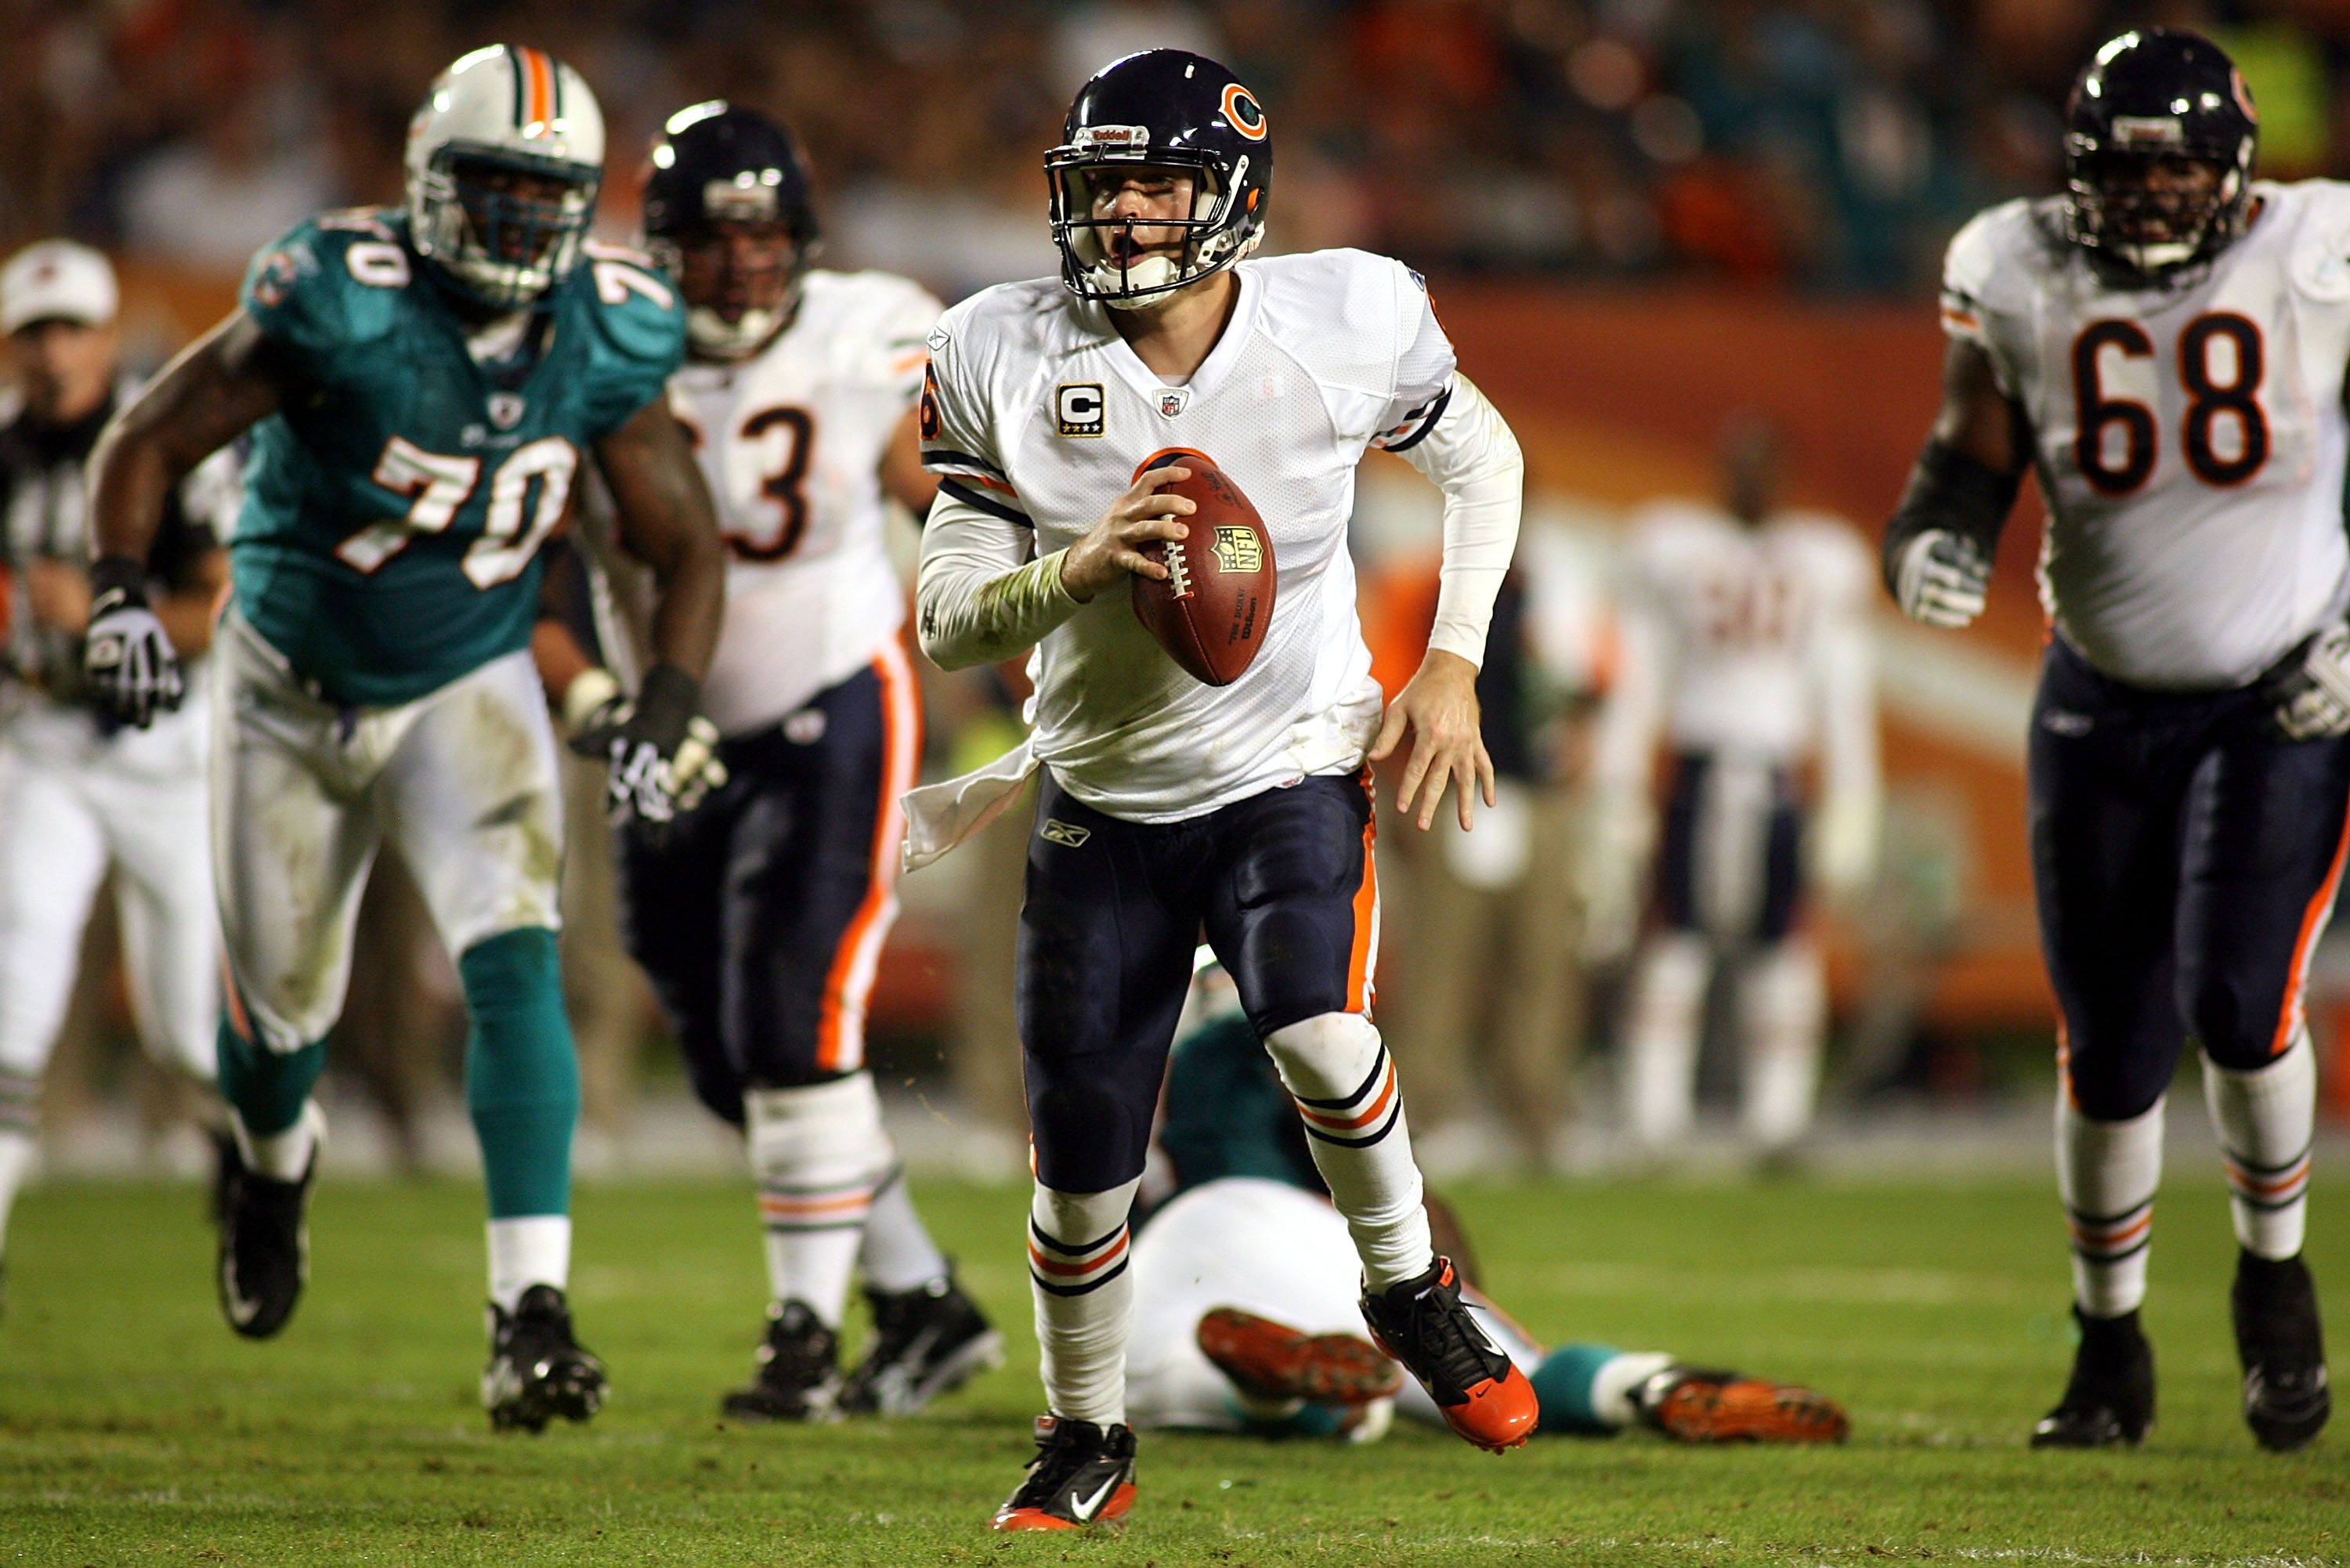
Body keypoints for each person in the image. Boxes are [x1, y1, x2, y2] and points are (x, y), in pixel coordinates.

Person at [908, 49, 1533, 1531]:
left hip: (1288, 760)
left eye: (1155, 184)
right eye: (1101, 184)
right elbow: (945, 614)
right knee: (1081, 1165)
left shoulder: (1348, 315)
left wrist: (1450, 663)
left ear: (1232, 197)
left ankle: (1411, 1290)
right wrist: (1080, 566)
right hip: (1102, 791)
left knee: (1317, 1022)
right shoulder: (999, 344)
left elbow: (1485, 462)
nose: (1122, 216)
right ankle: (1087, 1431)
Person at [81, 45, 728, 1433]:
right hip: (286, 686)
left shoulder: (611, 328)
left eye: (539, 196)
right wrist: (124, 595)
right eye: (487, 190)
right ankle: (269, 1161)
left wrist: (667, 700)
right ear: (429, 187)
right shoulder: (341, 301)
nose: (510, 224)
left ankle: (531, 1310)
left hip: (469, 682)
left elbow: (683, 543)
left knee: (516, 963)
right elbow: (144, 439)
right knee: (281, 1026)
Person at [1886, 29, 2333, 1452]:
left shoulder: (2320, 252)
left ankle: (2276, 1294)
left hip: (2282, 686)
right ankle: (2109, 1343)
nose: (2147, 201)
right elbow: (1973, 442)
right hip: (2100, 691)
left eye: (2177, 173)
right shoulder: (2013, 263)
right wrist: (1936, 531)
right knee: (2111, 1042)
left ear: (2238, 173)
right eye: (2123, 176)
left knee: (2241, 999)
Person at [537, 102, 999, 1422]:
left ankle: (804, 1332)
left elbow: (952, 500)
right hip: (659, 733)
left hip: (831, 706)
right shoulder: (603, 341)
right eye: (711, 236)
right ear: (662, 243)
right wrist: (599, 711)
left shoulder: (869, 330)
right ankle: (919, 1300)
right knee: (724, 1054)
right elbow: (545, 566)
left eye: (762, 233)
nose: (740, 262)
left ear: (800, 238)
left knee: (796, 1016)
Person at [1127, 959, 1849, 1445]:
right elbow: (1412, 1209)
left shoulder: (1132, 1064)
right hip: (1309, 1237)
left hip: (1178, 1247)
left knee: (1141, 1377)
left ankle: (1265, 1392)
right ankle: (1649, 1384)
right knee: (1501, 1375)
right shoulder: (1282, 1046)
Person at [0, 240, 235, 1297]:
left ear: (105, 335)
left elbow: (218, 609)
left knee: (187, 1029)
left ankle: (253, 1159)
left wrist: (106, 613)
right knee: (19, 982)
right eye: (32, 333)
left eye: (69, 329)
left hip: (162, 753)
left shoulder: (156, 447)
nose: (53, 353)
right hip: (44, 741)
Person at [1590, 421, 1880, 1165]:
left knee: (1780, 946)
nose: (1750, 479)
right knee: (1674, 942)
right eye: (1739, 464)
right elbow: (1643, 674)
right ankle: (1653, 1119)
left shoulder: (1822, 556)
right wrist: (1619, 784)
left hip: (1777, 774)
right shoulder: (1676, 546)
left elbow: (1842, 687)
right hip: (1699, 768)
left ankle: (1778, 1121)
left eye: (1763, 465)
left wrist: (1855, 798)